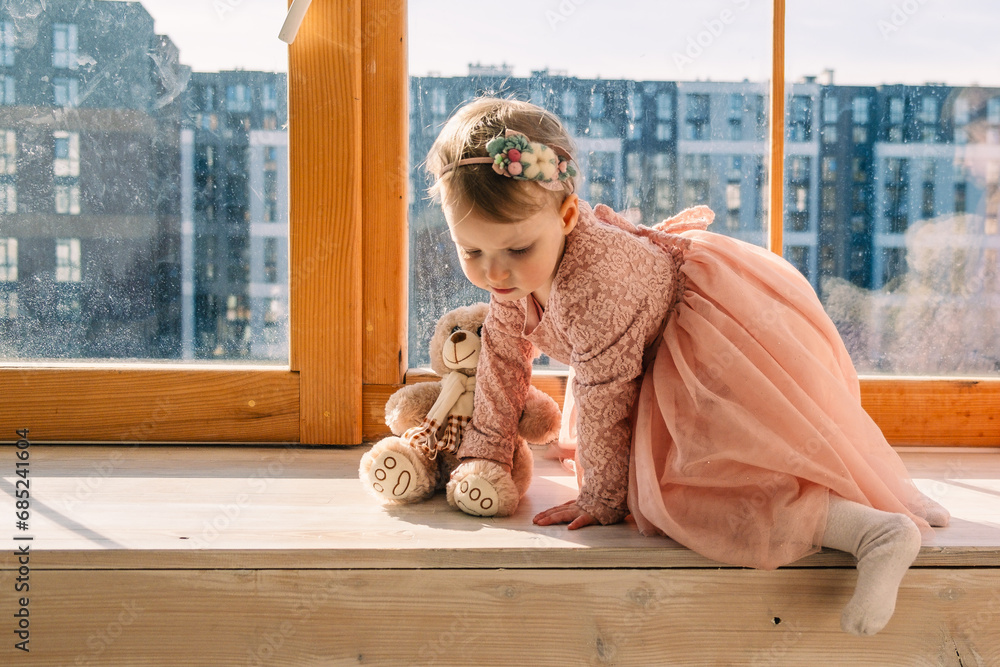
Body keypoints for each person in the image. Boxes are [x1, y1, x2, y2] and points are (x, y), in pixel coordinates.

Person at [424, 96, 950, 636]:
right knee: (672, 467)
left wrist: (603, 499)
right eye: (471, 253)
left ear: (566, 215)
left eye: (514, 250)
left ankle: (875, 533)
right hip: (638, 356)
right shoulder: (510, 270)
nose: (492, 272)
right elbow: (502, 358)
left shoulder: (591, 284)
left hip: (705, 353)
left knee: (699, 489)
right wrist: (483, 451)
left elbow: (606, 395)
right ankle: (877, 516)